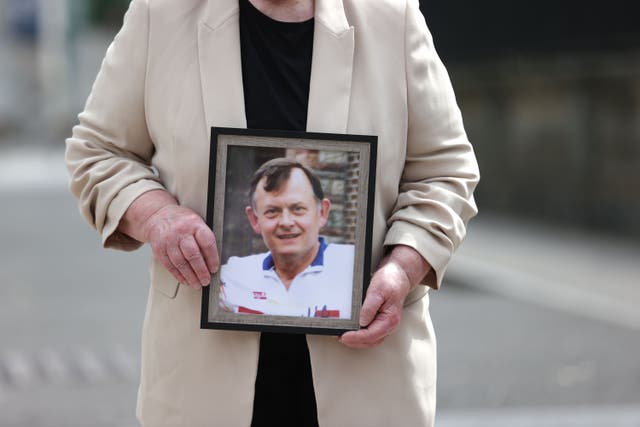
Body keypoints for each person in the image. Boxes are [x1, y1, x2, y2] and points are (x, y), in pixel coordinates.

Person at [65, 0, 480, 426]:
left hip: (366, 374)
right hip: (201, 379)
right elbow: (98, 152)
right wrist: (156, 217)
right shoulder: (162, 13)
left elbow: (445, 171)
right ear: (253, 217)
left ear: (322, 211)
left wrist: (402, 268)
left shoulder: (392, 17)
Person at [219, 157, 355, 319]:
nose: (286, 222)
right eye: (272, 211)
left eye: (298, 209)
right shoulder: (234, 275)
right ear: (255, 220)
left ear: (322, 213)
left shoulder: (355, 267)